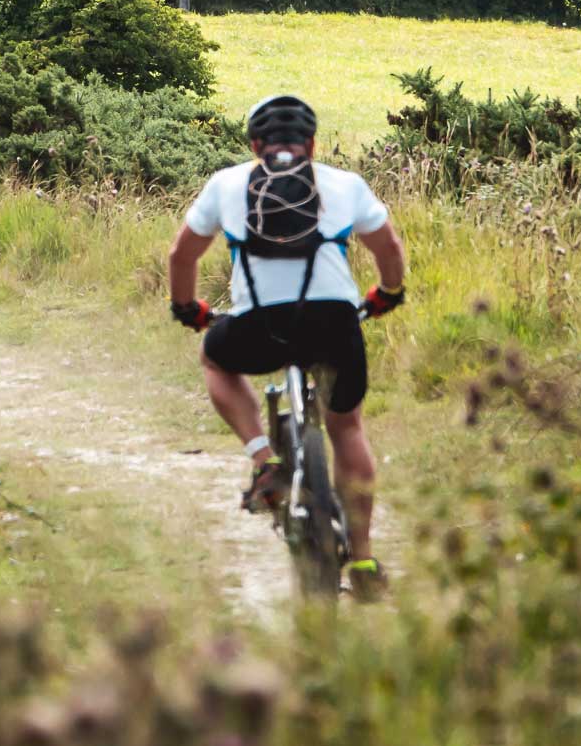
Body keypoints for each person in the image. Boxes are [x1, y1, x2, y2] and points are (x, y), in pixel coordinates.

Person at [165, 93, 407, 599]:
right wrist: (387, 294)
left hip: (260, 329)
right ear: (312, 143)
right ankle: (362, 562)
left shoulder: (226, 183)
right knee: (346, 426)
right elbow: (388, 248)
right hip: (333, 324)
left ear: (254, 144)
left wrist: (190, 309)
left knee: (214, 356)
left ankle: (263, 462)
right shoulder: (344, 184)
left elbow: (181, 254)